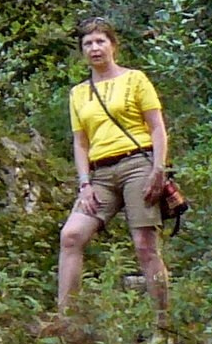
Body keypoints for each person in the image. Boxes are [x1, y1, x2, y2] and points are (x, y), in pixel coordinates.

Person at [56, 16, 170, 316]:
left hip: (137, 164)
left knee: (145, 245)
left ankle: (163, 324)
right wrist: (84, 183)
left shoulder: (135, 79)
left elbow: (157, 127)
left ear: (113, 45)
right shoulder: (78, 93)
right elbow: (81, 142)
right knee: (71, 236)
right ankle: (66, 320)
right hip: (101, 174)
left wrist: (159, 169)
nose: (95, 48)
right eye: (88, 43)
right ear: (82, 51)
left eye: (100, 41)